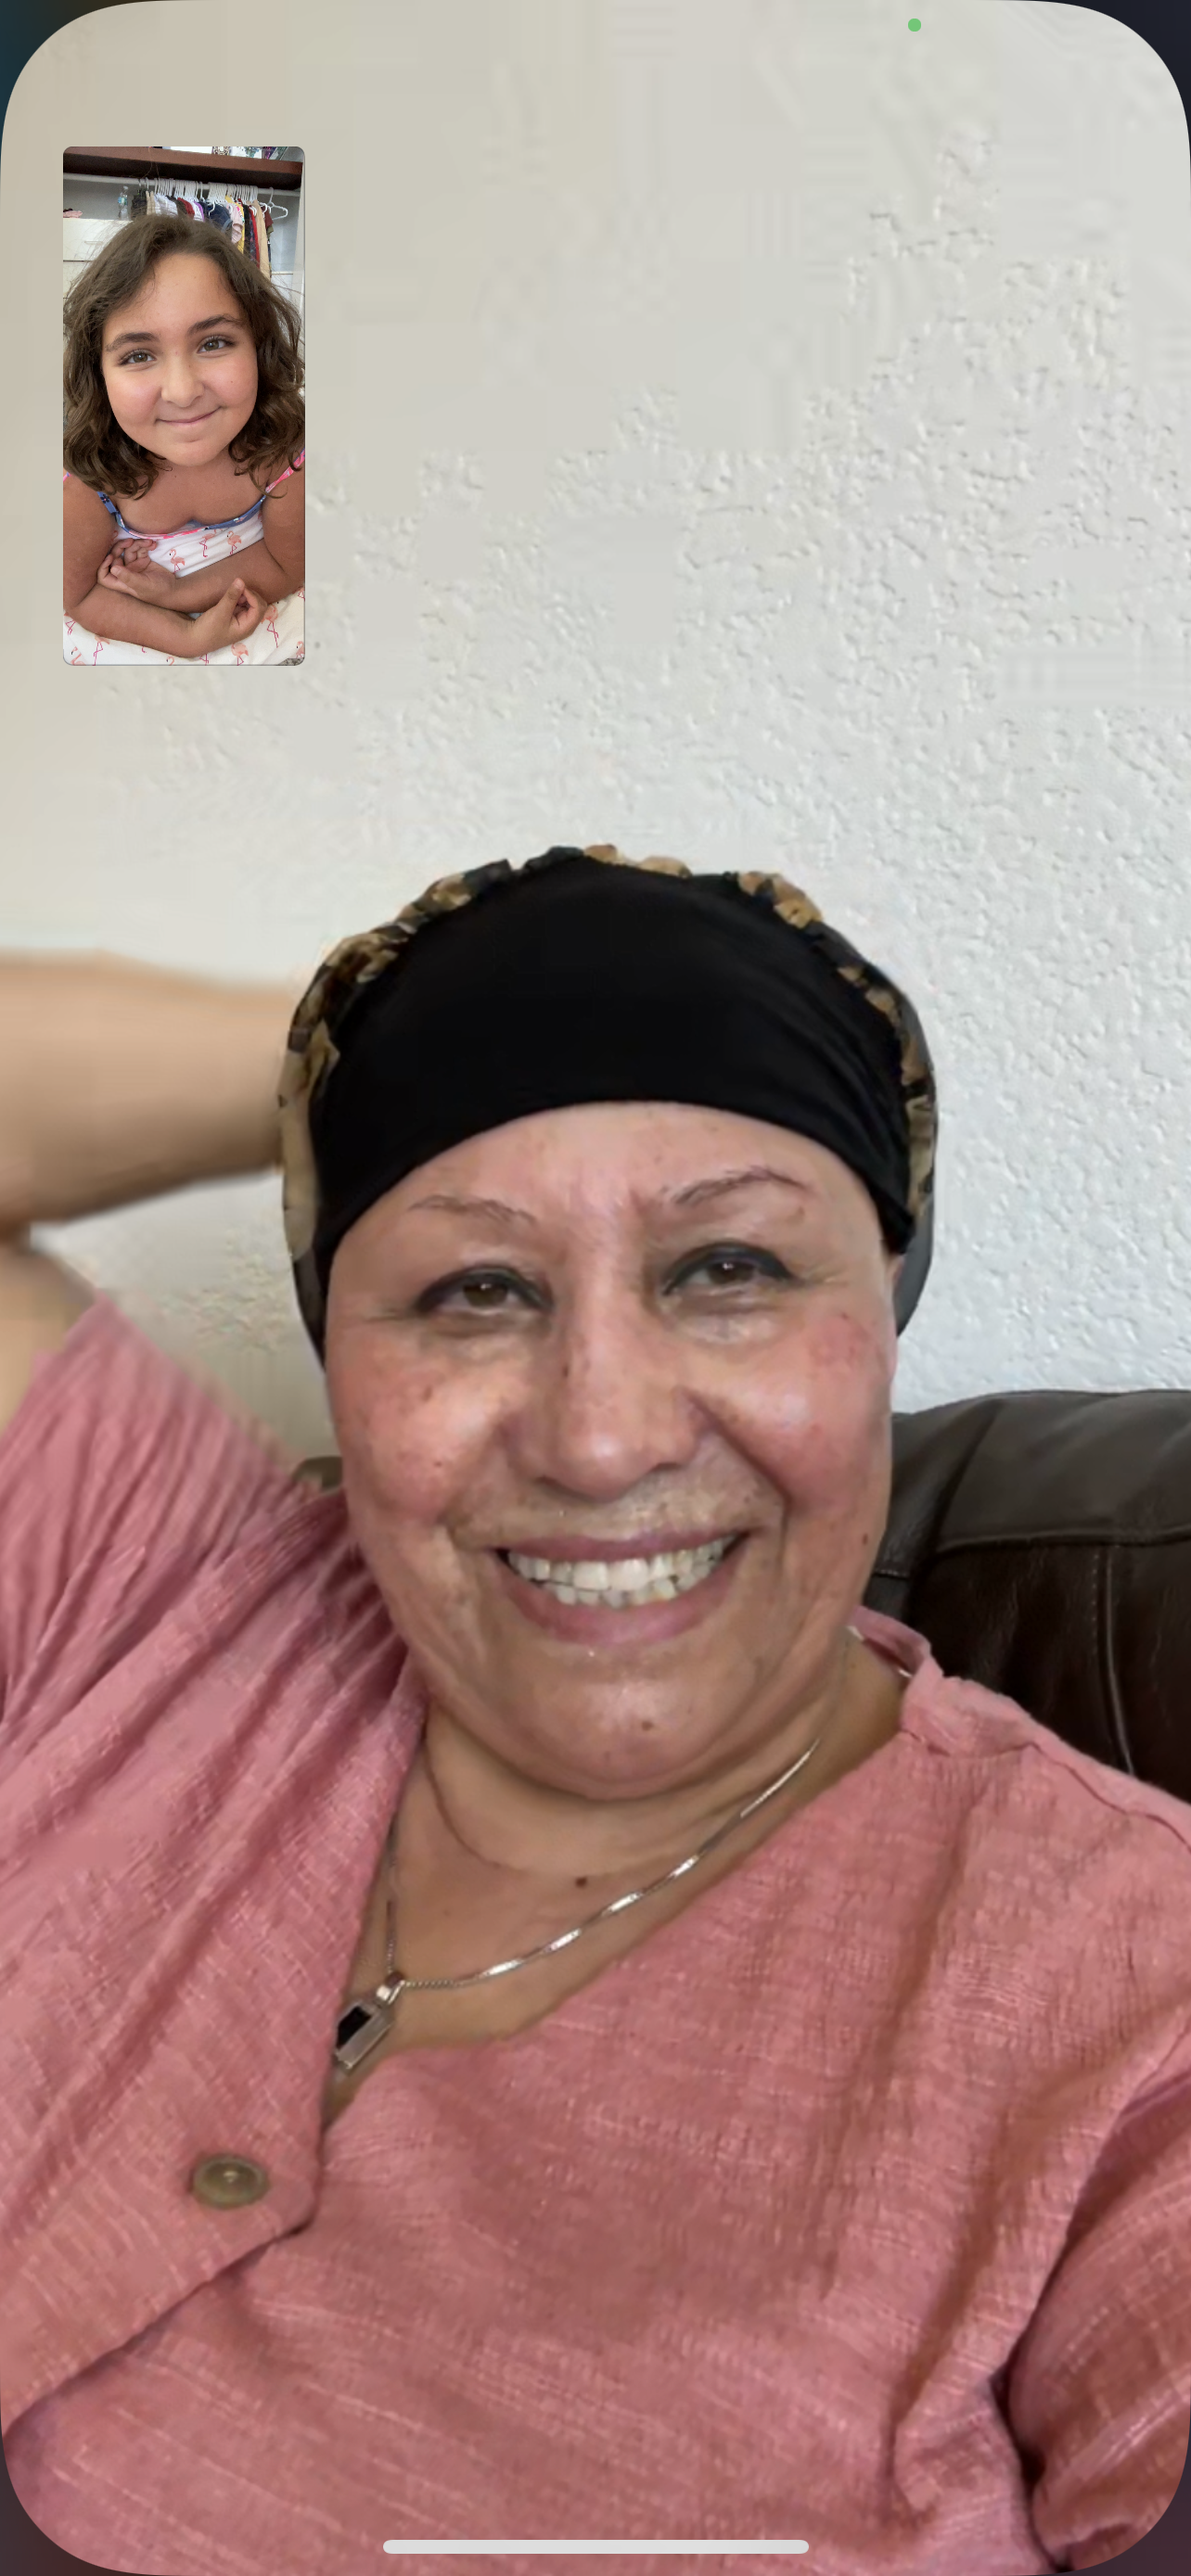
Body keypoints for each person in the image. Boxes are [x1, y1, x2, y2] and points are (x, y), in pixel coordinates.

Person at [0, 846, 1188, 2576]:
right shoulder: (156, 1606)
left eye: (728, 1266)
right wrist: (407, 1032)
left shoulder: (1128, 1993)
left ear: (882, 1313)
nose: (601, 1434)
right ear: (338, 1352)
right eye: (474, 1287)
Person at [62, 212, 305, 664]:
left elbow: (288, 564)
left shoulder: (280, 448)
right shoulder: (92, 474)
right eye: (138, 355)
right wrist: (186, 638)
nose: (182, 391)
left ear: (260, 347)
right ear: (98, 375)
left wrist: (177, 592)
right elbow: (77, 596)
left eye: (213, 343)